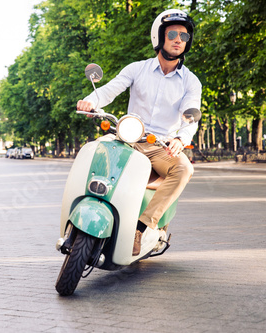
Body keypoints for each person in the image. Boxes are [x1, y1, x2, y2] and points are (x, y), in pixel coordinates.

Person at [76, 9, 202, 256]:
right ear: (159, 37)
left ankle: (142, 228)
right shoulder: (137, 69)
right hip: (127, 137)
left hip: (160, 145)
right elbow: (109, 90)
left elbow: (190, 115)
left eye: (184, 37)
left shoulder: (190, 81)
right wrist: (90, 101)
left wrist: (181, 138)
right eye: (173, 34)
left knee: (185, 168)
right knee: (92, 152)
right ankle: (86, 209)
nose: (178, 39)